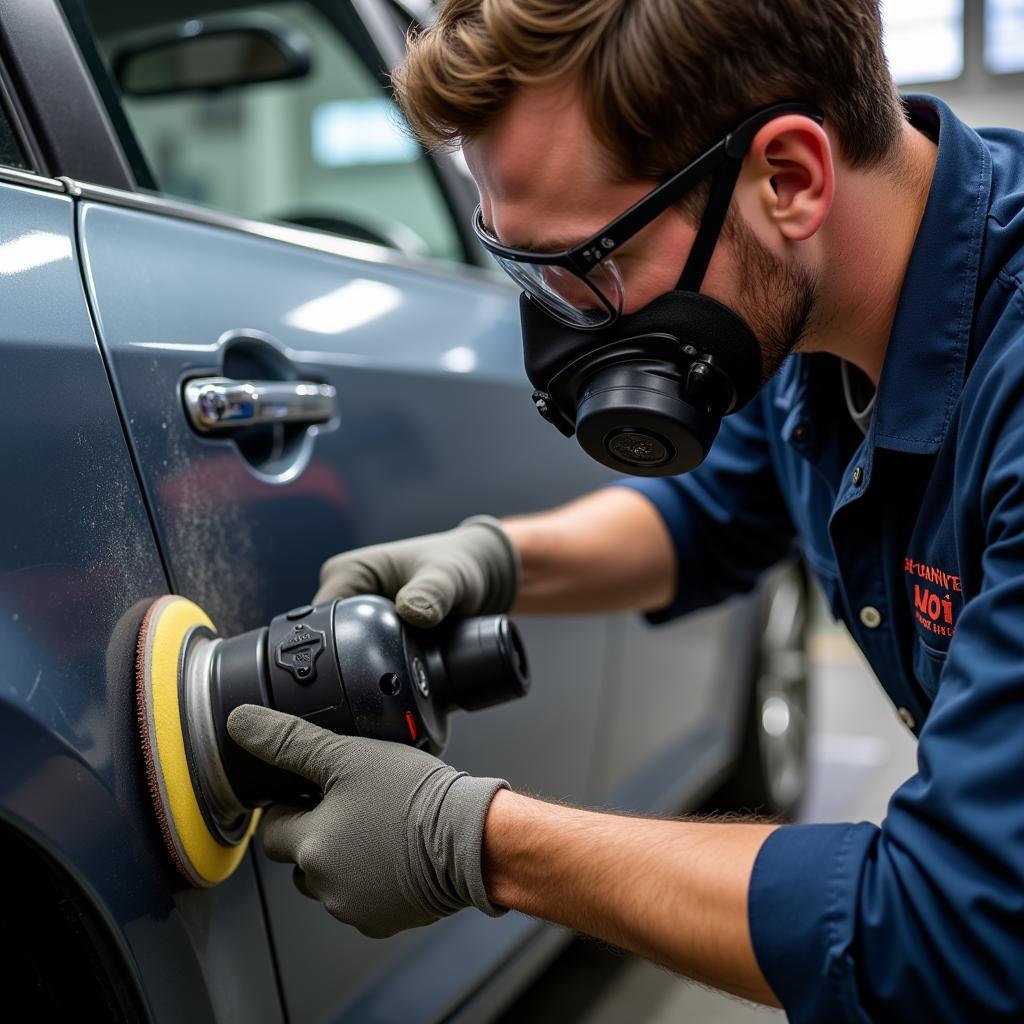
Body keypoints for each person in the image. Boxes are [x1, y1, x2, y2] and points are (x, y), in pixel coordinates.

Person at [226, 1, 1024, 1019]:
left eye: (586, 264)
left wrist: (470, 842)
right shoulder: (798, 304)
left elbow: (951, 933)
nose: (564, 334)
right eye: (528, 271)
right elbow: (710, 518)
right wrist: (492, 560)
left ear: (788, 178)